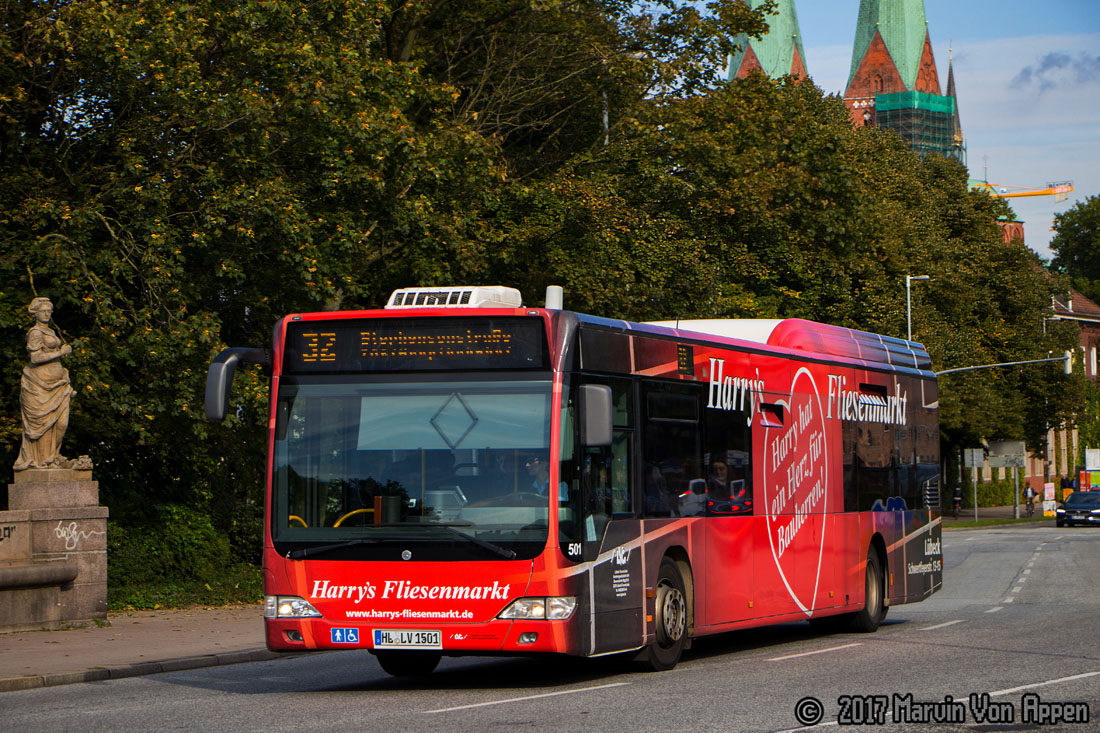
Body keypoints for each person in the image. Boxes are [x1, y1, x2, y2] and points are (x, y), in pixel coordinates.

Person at [14, 297, 77, 471]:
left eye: (49, 311)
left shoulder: (50, 331)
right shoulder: (35, 333)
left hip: (57, 384)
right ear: (35, 313)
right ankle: (45, 460)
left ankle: (54, 456)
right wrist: (61, 352)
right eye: (43, 311)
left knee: (62, 423)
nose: (47, 313)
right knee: (43, 425)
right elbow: (35, 357)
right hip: (39, 385)